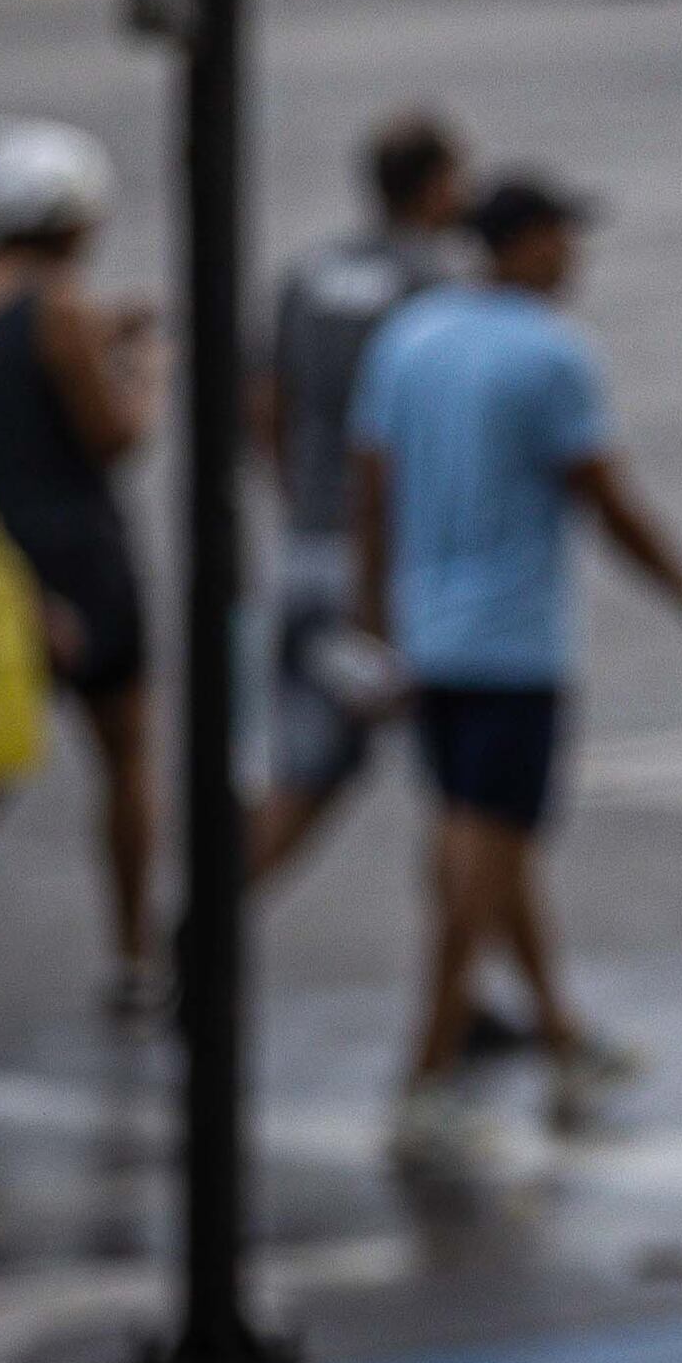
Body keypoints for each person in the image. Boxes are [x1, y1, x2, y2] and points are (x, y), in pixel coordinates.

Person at [350, 172, 682, 1166]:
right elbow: (604, 497)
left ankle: (562, 1036)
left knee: (494, 848)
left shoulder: (412, 334)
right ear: (523, 243)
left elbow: (370, 482)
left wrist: (376, 613)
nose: (576, 258)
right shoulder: (548, 354)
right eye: (565, 238)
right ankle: (424, 1077)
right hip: (510, 643)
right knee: (477, 866)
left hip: (429, 630)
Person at [0, 120, 163, 1020]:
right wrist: (143, 370)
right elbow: (111, 434)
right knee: (127, 757)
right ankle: (134, 952)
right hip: (80, 556)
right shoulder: (60, 306)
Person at [252, 111, 471, 884]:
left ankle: (508, 987)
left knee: (307, 769)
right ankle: (200, 943)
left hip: (311, 546)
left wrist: (299, 499)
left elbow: (264, 407)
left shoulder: (309, 274)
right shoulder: (433, 287)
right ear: (437, 185)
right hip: (394, 568)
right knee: (469, 792)